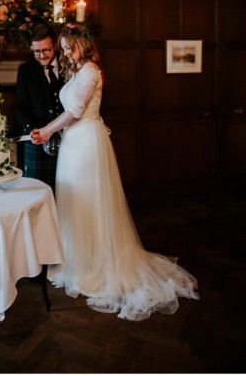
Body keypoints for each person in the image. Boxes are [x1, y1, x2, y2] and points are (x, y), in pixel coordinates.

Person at [31, 24, 199, 320]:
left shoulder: (91, 72)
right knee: (74, 199)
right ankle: (77, 258)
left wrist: (46, 131)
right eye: (64, 46)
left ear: (83, 43)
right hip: (73, 144)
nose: (66, 51)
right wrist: (50, 131)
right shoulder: (78, 71)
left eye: (70, 46)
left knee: (88, 199)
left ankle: (95, 261)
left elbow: (76, 112)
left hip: (86, 144)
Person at [14, 24, 65, 192]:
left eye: (46, 50)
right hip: (37, 139)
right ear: (31, 48)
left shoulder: (68, 65)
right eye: (37, 51)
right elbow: (20, 107)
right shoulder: (26, 70)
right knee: (36, 192)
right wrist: (33, 130)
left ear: (55, 46)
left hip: (67, 139)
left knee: (66, 189)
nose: (42, 56)